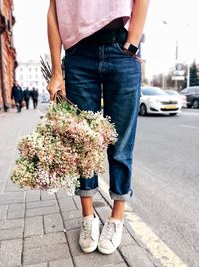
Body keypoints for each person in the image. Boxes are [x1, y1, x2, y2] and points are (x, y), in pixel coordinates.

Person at [47, 0, 150, 255]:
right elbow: (53, 11)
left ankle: (116, 219)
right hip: (78, 55)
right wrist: (57, 72)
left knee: (121, 143)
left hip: (121, 47)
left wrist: (133, 41)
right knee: (84, 143)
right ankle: (88, 217)